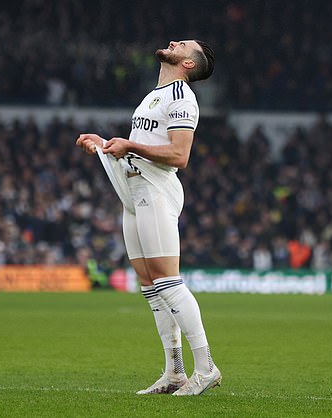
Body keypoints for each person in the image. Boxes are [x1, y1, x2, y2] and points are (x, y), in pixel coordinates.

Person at [76, 40, 220, 396]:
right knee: (151, 287)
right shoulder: (154, 94)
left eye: (181, 44)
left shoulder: (181, 98)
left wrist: (129, 145)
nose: (173, 42)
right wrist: (108, 144)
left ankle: (206, 369)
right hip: (134, 192)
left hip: (155, 192)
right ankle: (174, 372)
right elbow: (140, 147)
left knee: (169, 282)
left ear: (188, 63)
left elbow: (179, 154)